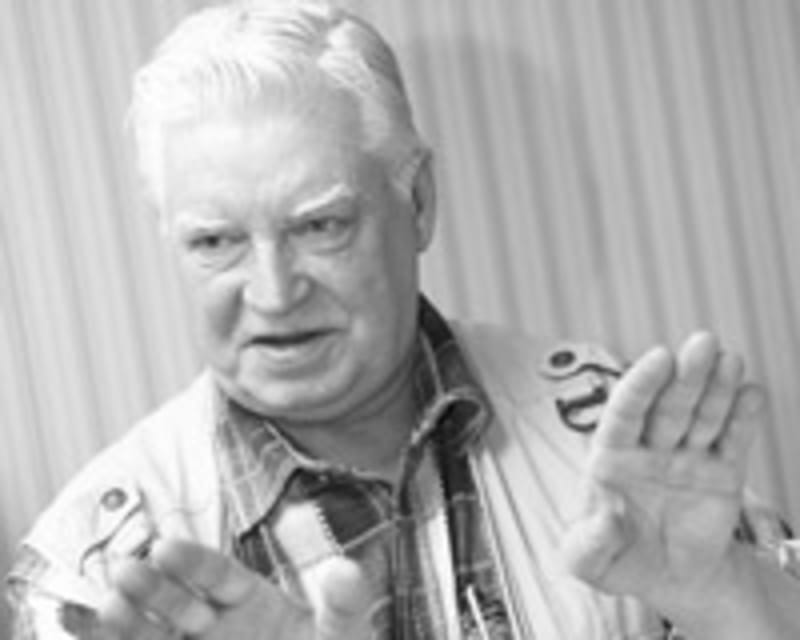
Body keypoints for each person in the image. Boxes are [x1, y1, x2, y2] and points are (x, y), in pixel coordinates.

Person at [7, 1, 800, 638]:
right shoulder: (94, 583)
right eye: (216, 242)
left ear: (417, 202)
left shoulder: (619, 447)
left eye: (320, 225)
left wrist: (726, 597)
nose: (274, 294)